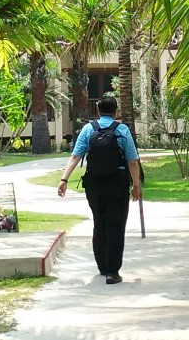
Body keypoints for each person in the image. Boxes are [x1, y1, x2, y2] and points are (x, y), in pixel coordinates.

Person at [56, 95, 142, 284]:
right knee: (116, 225)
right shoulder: (122, 130)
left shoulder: (88, 129)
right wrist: (136, 185)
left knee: (99, 222)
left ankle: (102, 266)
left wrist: (64, 180)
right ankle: (112, 271)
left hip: (94, 185)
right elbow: (133, 162)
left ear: (98, 111)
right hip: (117, 184)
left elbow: (75, 156)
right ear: (116, 111)